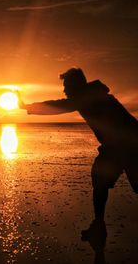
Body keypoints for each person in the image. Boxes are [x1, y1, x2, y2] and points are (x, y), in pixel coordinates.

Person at [19, 68, 138, 241]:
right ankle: (98, 227)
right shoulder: (91, 94)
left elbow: (58, 105)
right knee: (100, 182)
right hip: (123, 144)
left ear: (76, 85)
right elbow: (60, 104)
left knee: (103, 183)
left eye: (67, 86)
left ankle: (98, 227)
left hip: (125, 145)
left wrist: (26, 107)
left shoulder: (86, 97)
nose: (64, 90)